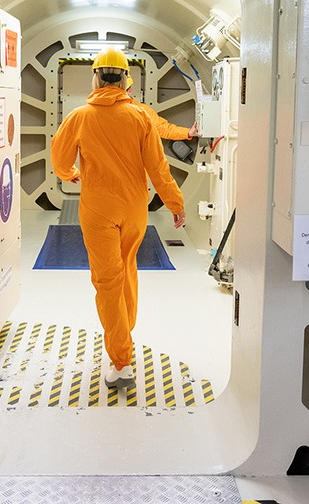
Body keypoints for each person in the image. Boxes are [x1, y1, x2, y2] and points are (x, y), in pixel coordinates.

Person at [51, 47, 186, 390]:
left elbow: (60, 159)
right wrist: (175, 202)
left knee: (107, 281)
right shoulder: (141, 117)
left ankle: (121, 361)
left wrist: (70, 175)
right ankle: (124, 335)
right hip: (134, 210)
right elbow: (158, 168)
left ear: (95, 78)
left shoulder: (80, 117)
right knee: (127, 271)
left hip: (98, 211)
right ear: (126, 80)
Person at [126, 75, 199, 140]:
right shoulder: (139, 110)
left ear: (130, 91)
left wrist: (188, 133)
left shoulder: (141, 111)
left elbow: (162, 128)